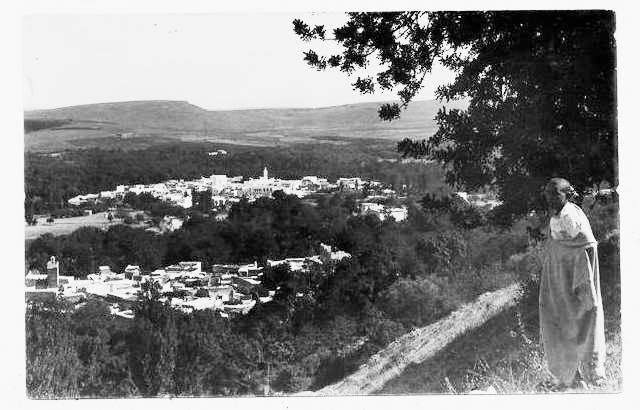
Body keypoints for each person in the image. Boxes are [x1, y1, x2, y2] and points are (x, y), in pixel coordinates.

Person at [539, 178, 606, 389]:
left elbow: (583, 245)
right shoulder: (557, 216)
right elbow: (558, 247)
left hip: (576, 279)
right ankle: (570, 376)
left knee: (583, 319)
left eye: (555, 193)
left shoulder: (571, 216)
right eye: (548, 194)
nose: (550, 198)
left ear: (566, 194)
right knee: (561, 323)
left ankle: (591, 374)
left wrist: (568, 260)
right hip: (560, 280)